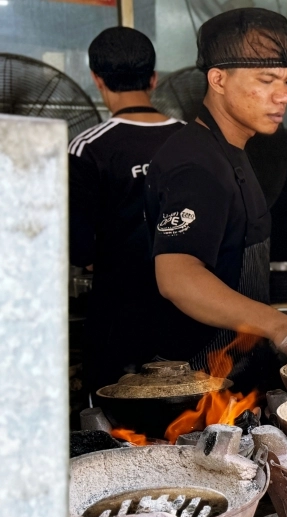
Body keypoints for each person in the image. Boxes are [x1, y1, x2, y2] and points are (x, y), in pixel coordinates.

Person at [145, 8, 287, 390]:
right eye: (266, 80)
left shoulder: (232, 151)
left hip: (232, 380)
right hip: (194, 389)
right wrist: (282, 326)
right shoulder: (196, 163)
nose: (283, 95)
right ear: (217, 79)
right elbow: (177, 277)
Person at [69, 27, 186, 393]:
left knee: (114, 421)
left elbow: (80, 247)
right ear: (153, 79)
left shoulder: (88, 147)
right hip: (189, 312)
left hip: (117, 316)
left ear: (96, 79)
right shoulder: (193, 141)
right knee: (188, 417)